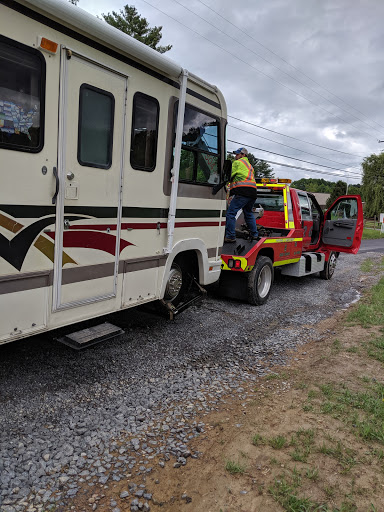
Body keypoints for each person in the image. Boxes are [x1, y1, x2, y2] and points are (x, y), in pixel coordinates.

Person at [224, 147, 258, 243]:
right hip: (252, 193)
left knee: (231, 213)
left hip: (243, 192)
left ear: (243, 155)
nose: (236, 156)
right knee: (248, 213)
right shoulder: (250, 166)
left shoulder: (237, 163)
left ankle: (230, 236)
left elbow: (229, 175)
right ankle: (254, 234)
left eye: (238, 154)